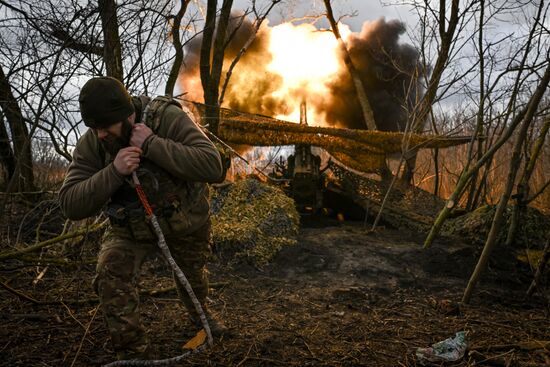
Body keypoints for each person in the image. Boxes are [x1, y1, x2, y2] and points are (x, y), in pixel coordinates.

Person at [59, 76, 225, 359]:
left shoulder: (166, 118)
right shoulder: (95, 142)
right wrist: (114, 171)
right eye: (94, 127)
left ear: (127, 115)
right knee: (110, 273)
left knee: (192, 278)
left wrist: (151, 144)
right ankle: (134, 353)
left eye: (105, 126)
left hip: (184, 220)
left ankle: (202, 318)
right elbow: (70, 203)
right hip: (131, 228)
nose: (100, 134)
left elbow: (212, 165)